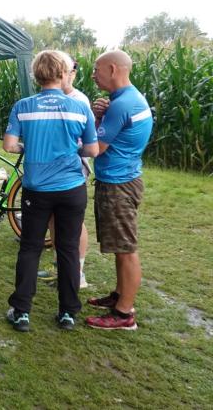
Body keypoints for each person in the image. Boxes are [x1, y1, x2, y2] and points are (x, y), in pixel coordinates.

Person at [3, 50, 99, 332]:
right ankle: (68, 313)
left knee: (30, 248)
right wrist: (71, 150)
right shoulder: (79, 107)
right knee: (67, 249)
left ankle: (22, 312)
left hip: (37, 189)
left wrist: (28, 147)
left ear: (37, 75)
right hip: (71, 187)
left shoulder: (23, 106)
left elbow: (9, 145)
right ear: (63, 73)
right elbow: (92, 149)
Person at [85, 50, 153, 331]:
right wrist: (101, 117)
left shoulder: (122, 104)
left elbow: (96, 148)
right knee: (120, 246)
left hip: (118, 185)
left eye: (96, 69)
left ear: (113, 69)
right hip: (125, 179)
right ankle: (119, 295)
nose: (93, 75)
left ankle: (124, 313)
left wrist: (91, 118)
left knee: (126, 249)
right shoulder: (128, 98)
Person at [43, 53, 94, 288]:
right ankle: (60, 268)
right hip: (50, 170)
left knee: (73, 223)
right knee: (54, 219)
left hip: (72, 169)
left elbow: (86, 142)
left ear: (71, 73)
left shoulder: (78, 100)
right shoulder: (51, 99)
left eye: (67, 70)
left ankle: (78, 273)